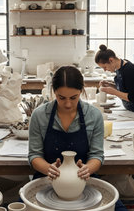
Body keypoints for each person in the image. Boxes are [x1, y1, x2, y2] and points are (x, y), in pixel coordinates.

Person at [28, 66, 128, 211]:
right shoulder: (39, 115)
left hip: (84, 179)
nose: (68, 104)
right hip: (48, 177)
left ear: (81, 91)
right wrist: (48, 168)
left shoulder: (93, 115)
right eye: (61, 98)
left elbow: (97, 155)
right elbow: (34, 155)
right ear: (54, 92)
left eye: (73, 97)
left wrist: (88, 168)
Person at [95, 44, 134, 124]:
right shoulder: (119, 67)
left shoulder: (129, 71)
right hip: (130, 110)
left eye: (105, 67)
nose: (105, 70)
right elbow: (125, 87)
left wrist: (113, 92)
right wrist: (110, 85)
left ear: (111, 60)